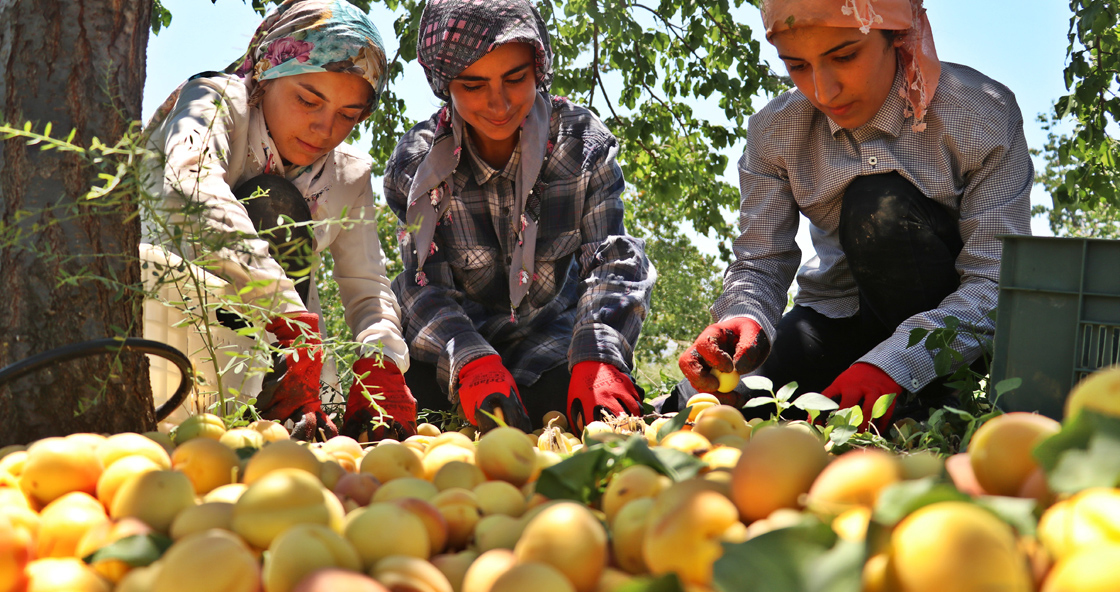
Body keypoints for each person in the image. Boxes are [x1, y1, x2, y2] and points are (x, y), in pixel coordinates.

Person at [668, 0, 1032, 429]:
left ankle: (931, 399)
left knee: (879, 206)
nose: (823, 92)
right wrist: (742, 317)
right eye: (797, 65)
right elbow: (760, 262)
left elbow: (994, 281)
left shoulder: (980, 116)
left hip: (943, 330)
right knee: (713, 404)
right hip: (835, 314)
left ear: (897, 38)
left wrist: (895, 364)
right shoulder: (774, 131)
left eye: (844, 56)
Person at [145, 0, 415, 441]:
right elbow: (187, 184)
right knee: (274, 201)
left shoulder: (346, 175)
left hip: (288, 359)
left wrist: (381, 361)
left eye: (349, 116)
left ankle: (286, 406)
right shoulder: (214, 103)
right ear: (267, 73)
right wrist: (285, 312)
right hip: (172, 319)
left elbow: (368, 290)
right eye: (308, 100)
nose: (324, 129)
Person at [384, 0, 656, 434]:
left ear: (539, 69)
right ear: (444, 85)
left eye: (515, 78)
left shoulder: (581, 145)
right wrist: (471, 361)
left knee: (575, 418)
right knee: (413, 421)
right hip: (453, 343)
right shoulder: (416, 168)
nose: (498, 103)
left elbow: (612, 259)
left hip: (552, 340)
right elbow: (422, 288)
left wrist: (598, 355)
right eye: (473, 86)